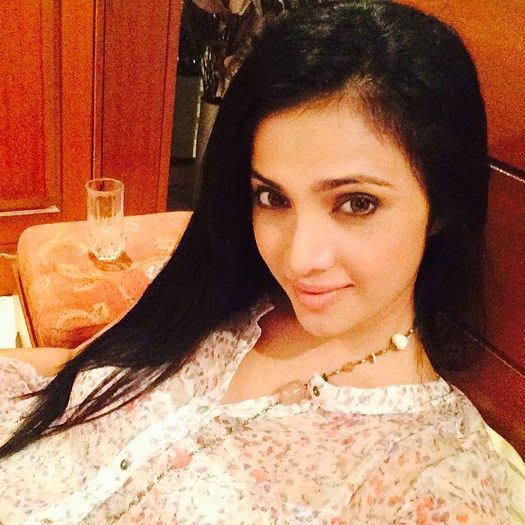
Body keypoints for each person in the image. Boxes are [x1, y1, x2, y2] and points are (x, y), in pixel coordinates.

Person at [0, 1, 521, 523]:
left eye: (357, 203)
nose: (299, 257)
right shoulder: (221, 295)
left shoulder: (431, 480)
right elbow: (80, 370)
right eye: (273, 197)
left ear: (441, 206)